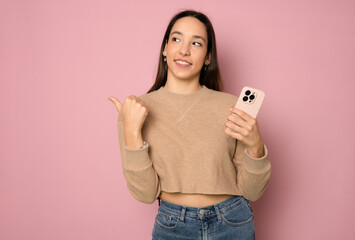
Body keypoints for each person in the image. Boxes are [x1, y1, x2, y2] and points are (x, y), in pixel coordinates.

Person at [108, 9, 271, 240]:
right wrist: (132, 132)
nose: (184, 50)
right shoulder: (136, 109)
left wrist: (256, 146)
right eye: (176, 39)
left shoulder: (233, 106)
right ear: (165, 49)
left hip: (233, 222)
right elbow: (145, 194)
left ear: (207, 57)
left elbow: (253, 191)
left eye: (196, 43)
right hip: (172, 226)